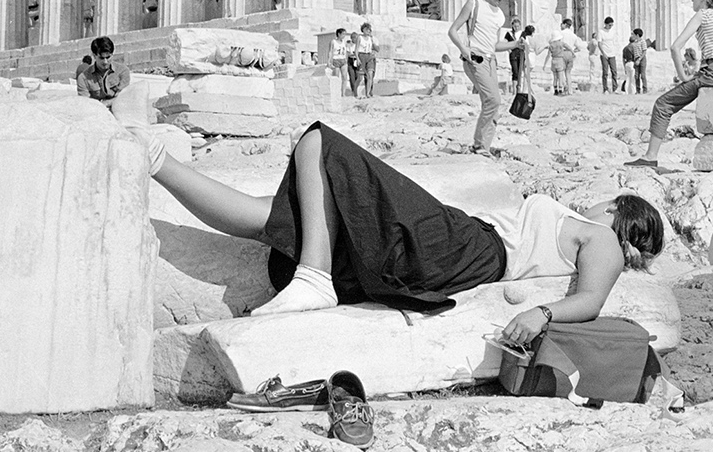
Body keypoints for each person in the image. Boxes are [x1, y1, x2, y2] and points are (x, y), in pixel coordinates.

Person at [141, 122, 666, 345]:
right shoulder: (584, 232)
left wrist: (542, 313)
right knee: (271, 219)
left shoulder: (602, 239)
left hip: (465, 246)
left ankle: (315, 276)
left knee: (320, 141)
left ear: (619, 210)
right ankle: (157, 161)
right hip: (455, 242)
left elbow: (591, 300)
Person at [629, 0, 713, 168]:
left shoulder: (703, 15)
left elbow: (675, 47)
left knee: (663, 104)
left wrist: (683, 77)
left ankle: (650, 156)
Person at [446, 0, 520, 154]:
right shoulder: (474, 4)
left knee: (493, 104)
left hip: (491, 60)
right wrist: (463, 49)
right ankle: (479, 144)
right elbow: (453, 30)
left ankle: (483, 147)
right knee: (494, 99)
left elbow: (494, 45)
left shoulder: (500, 15)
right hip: (475, 58)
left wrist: (515, 44)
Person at [75, 36, 129, 110]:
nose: (105, 62)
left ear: (112, 55)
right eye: (101, 58)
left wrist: (106, 103)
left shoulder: (123, 71)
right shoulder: (83, 78)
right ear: (94, 56)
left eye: (108, 57)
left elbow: (124, 97)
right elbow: (85, 104)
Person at [548, 20, 583, 96]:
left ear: (565, 24)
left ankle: (562, 89)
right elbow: (579, 47)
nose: (560, 26)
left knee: (560, 73)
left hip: (562, 54)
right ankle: (570, 90)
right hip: (570, 53)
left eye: (562, 24)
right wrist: (573, 51)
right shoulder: (574, 35)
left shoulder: (561, 34)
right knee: (568, 73)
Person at [594, 17, 625, 94]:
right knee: (605, 72)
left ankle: (615, 88)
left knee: (614, 71)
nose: (611, 27)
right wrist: (603, 53)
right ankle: (605, 89)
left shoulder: (612, 31)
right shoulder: (601, 32)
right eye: (609, 25)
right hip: (604, 54)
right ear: (606, 24)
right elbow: (599, 43)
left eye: (612, 25)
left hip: (612, 53)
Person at [509, 25, 536, 97]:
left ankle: (521, 89)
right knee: (525, 74)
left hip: (524, 55)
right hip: (529, 56)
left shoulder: (523, 37)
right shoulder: (531, 39)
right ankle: (525, 90)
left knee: (522, 74)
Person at [354, 23, 378, 99]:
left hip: (369, 56)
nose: (368, 31)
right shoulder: (359, 37)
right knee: (360, 77)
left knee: (370, 75)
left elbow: (375, 48)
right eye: (367, 29)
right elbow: (356, 49)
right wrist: (357, 58)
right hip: (362, 56)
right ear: (363, 29)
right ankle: (355, 91)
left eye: (369, 29)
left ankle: (367, 93)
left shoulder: (371, 38)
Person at [622, 28, 649, 94]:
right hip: (636, 59)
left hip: (641, 59)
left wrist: (639, 59)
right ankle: (637, 90)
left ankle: (645, 89)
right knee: (636, 76)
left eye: (633, 34)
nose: (632, 35)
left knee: (642, 75)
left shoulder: (643, 41)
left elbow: (644, 51)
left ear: (637, 35)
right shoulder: (635, 43)